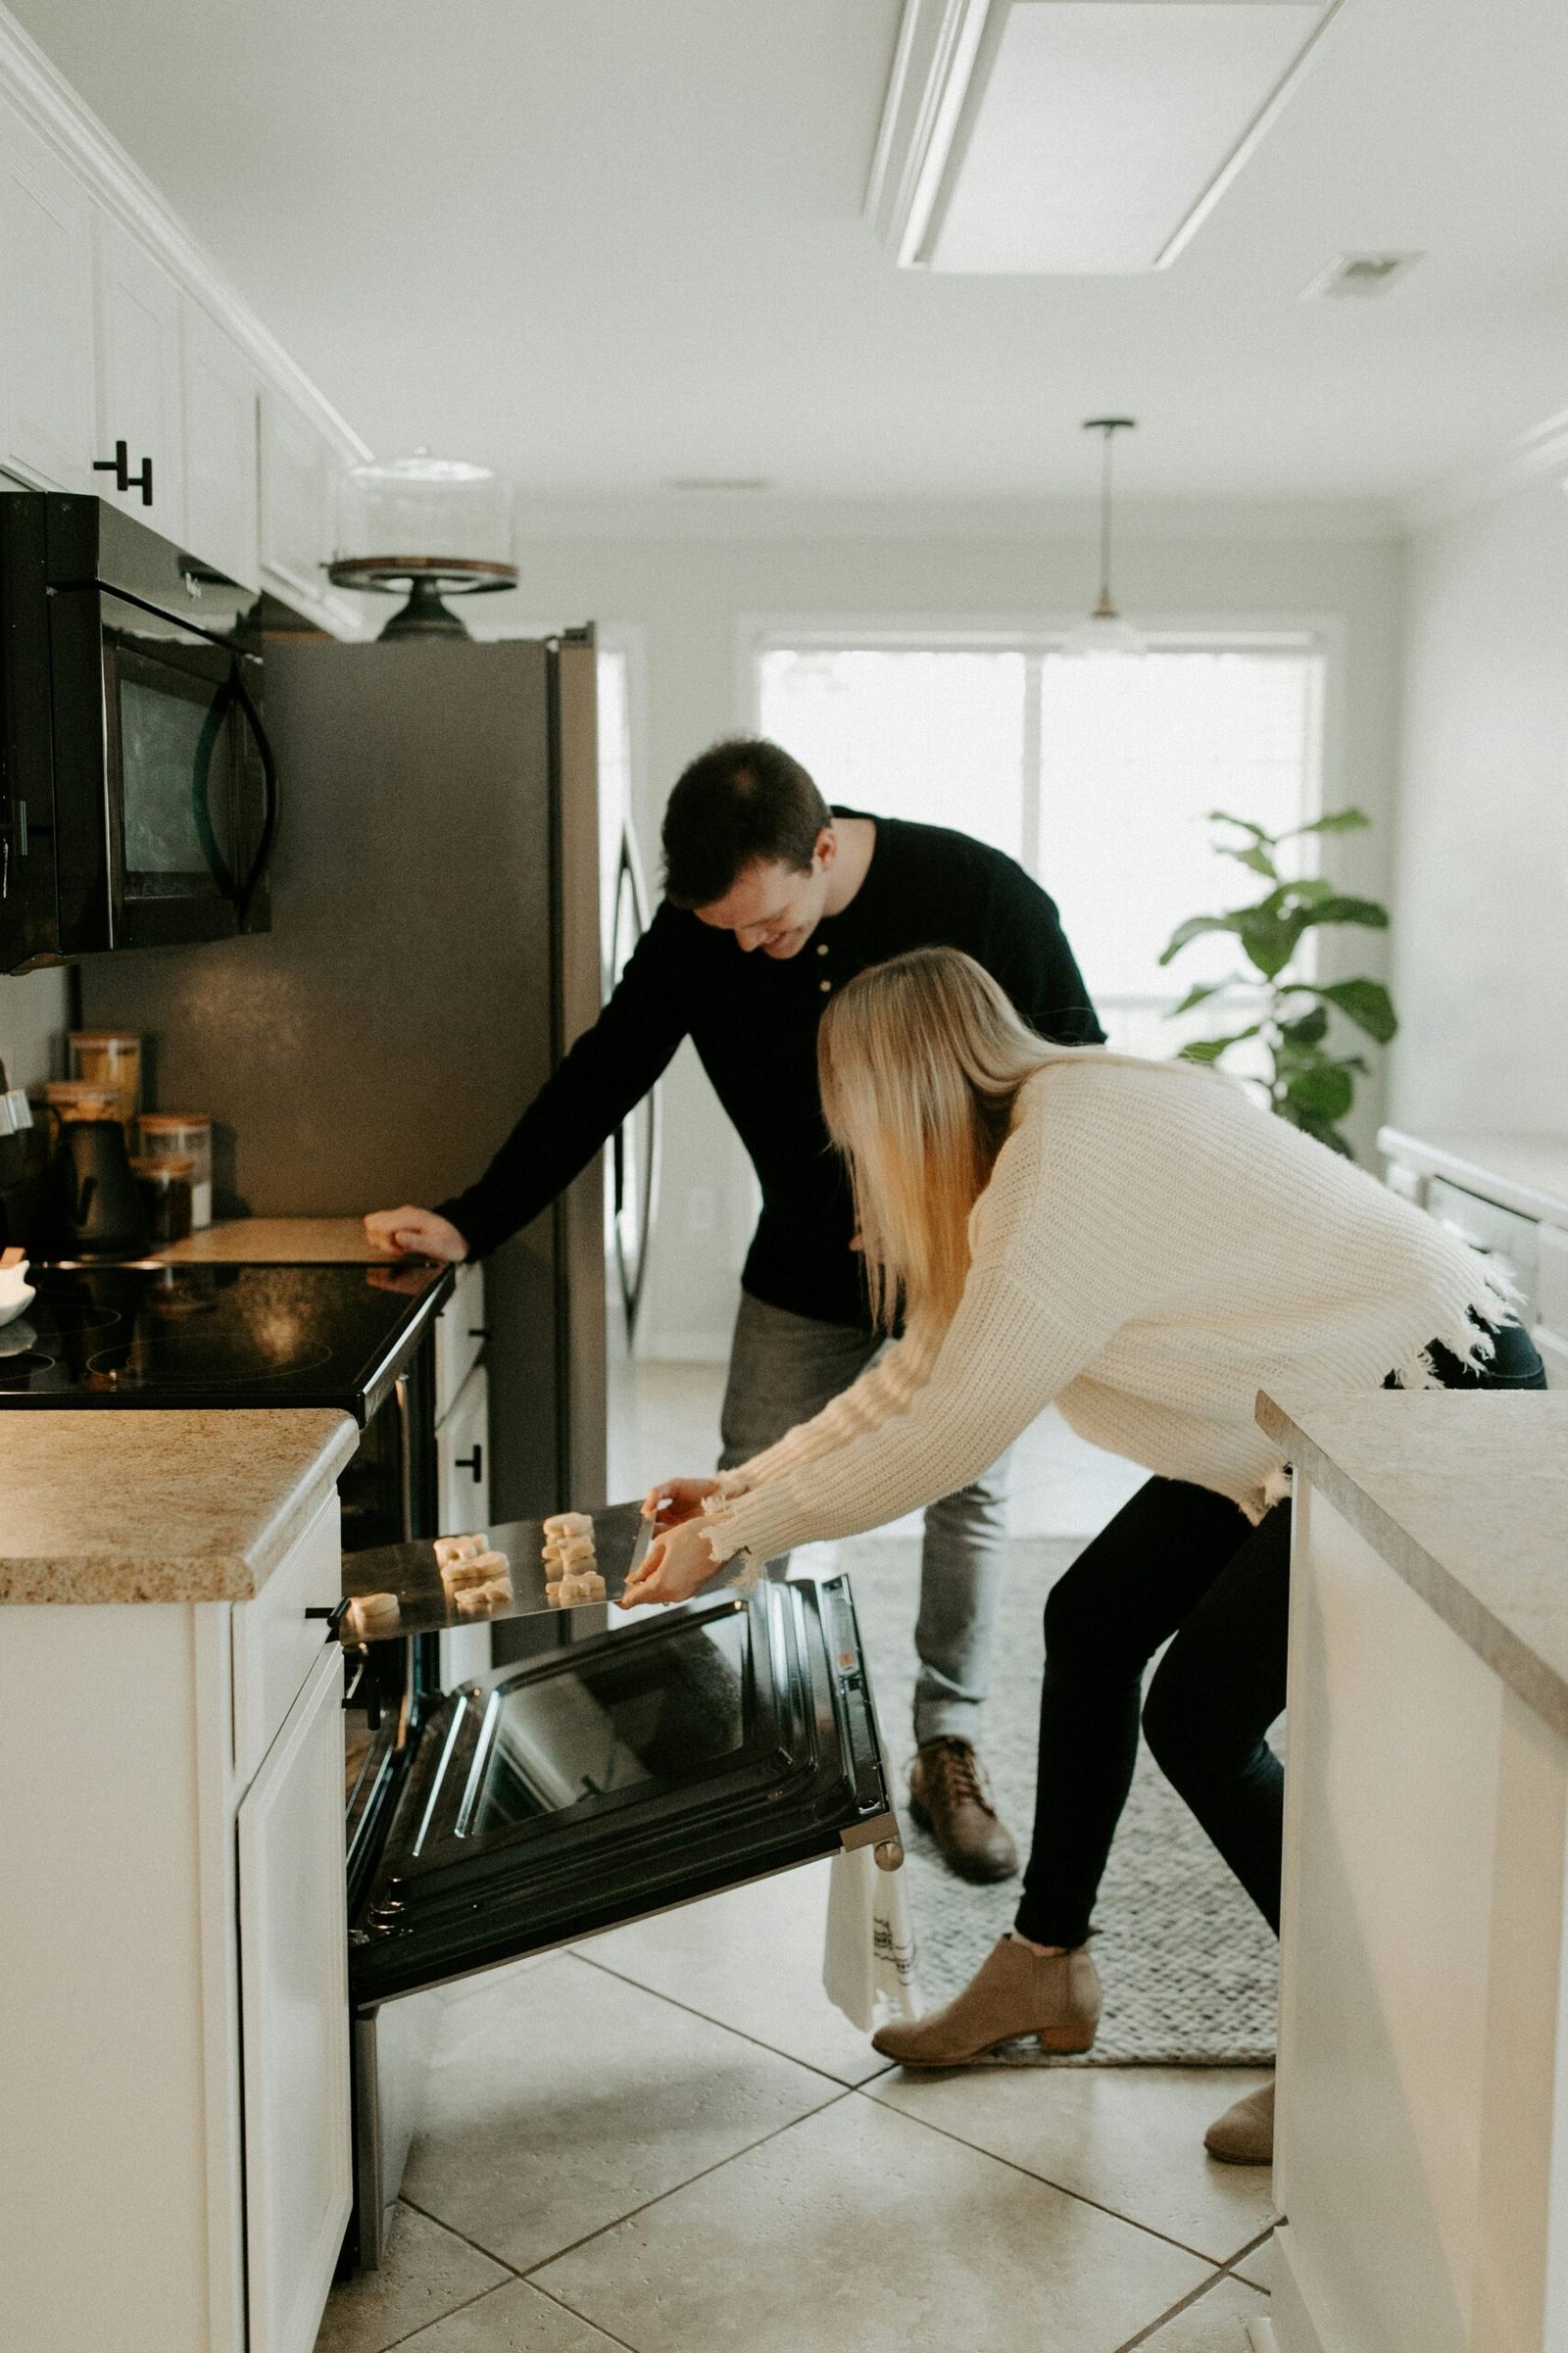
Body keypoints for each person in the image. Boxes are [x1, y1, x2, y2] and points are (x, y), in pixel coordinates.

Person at [624, 946, 1544, 2164]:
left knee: (1199, 1715)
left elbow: (948, 1431)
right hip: (1301, 1408)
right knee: (1094, 1617)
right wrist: (742, 1485)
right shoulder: (1036, 1135)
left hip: (1417, 1390)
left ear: (897, 1099)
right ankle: (1045, 1966)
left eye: (850, 1123)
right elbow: (921, 1374)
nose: (849, 1153)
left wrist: (735, 1535)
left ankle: (1359, 2052)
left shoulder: (1061, 1169)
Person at [366, 739, 1103, 1881]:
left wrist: (976, 1209)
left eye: (770, 924)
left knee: (970, 1489)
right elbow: (601, 1075)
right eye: (730, 935)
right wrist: (472, 1218)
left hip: (964, 1263)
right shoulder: (706, 930)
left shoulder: (977, 893)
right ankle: (769, 1738)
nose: (753, 950)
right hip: (800, 1270)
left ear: (822, 847)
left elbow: (1076, 1078)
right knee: (747, 1483)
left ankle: (943, 1744)